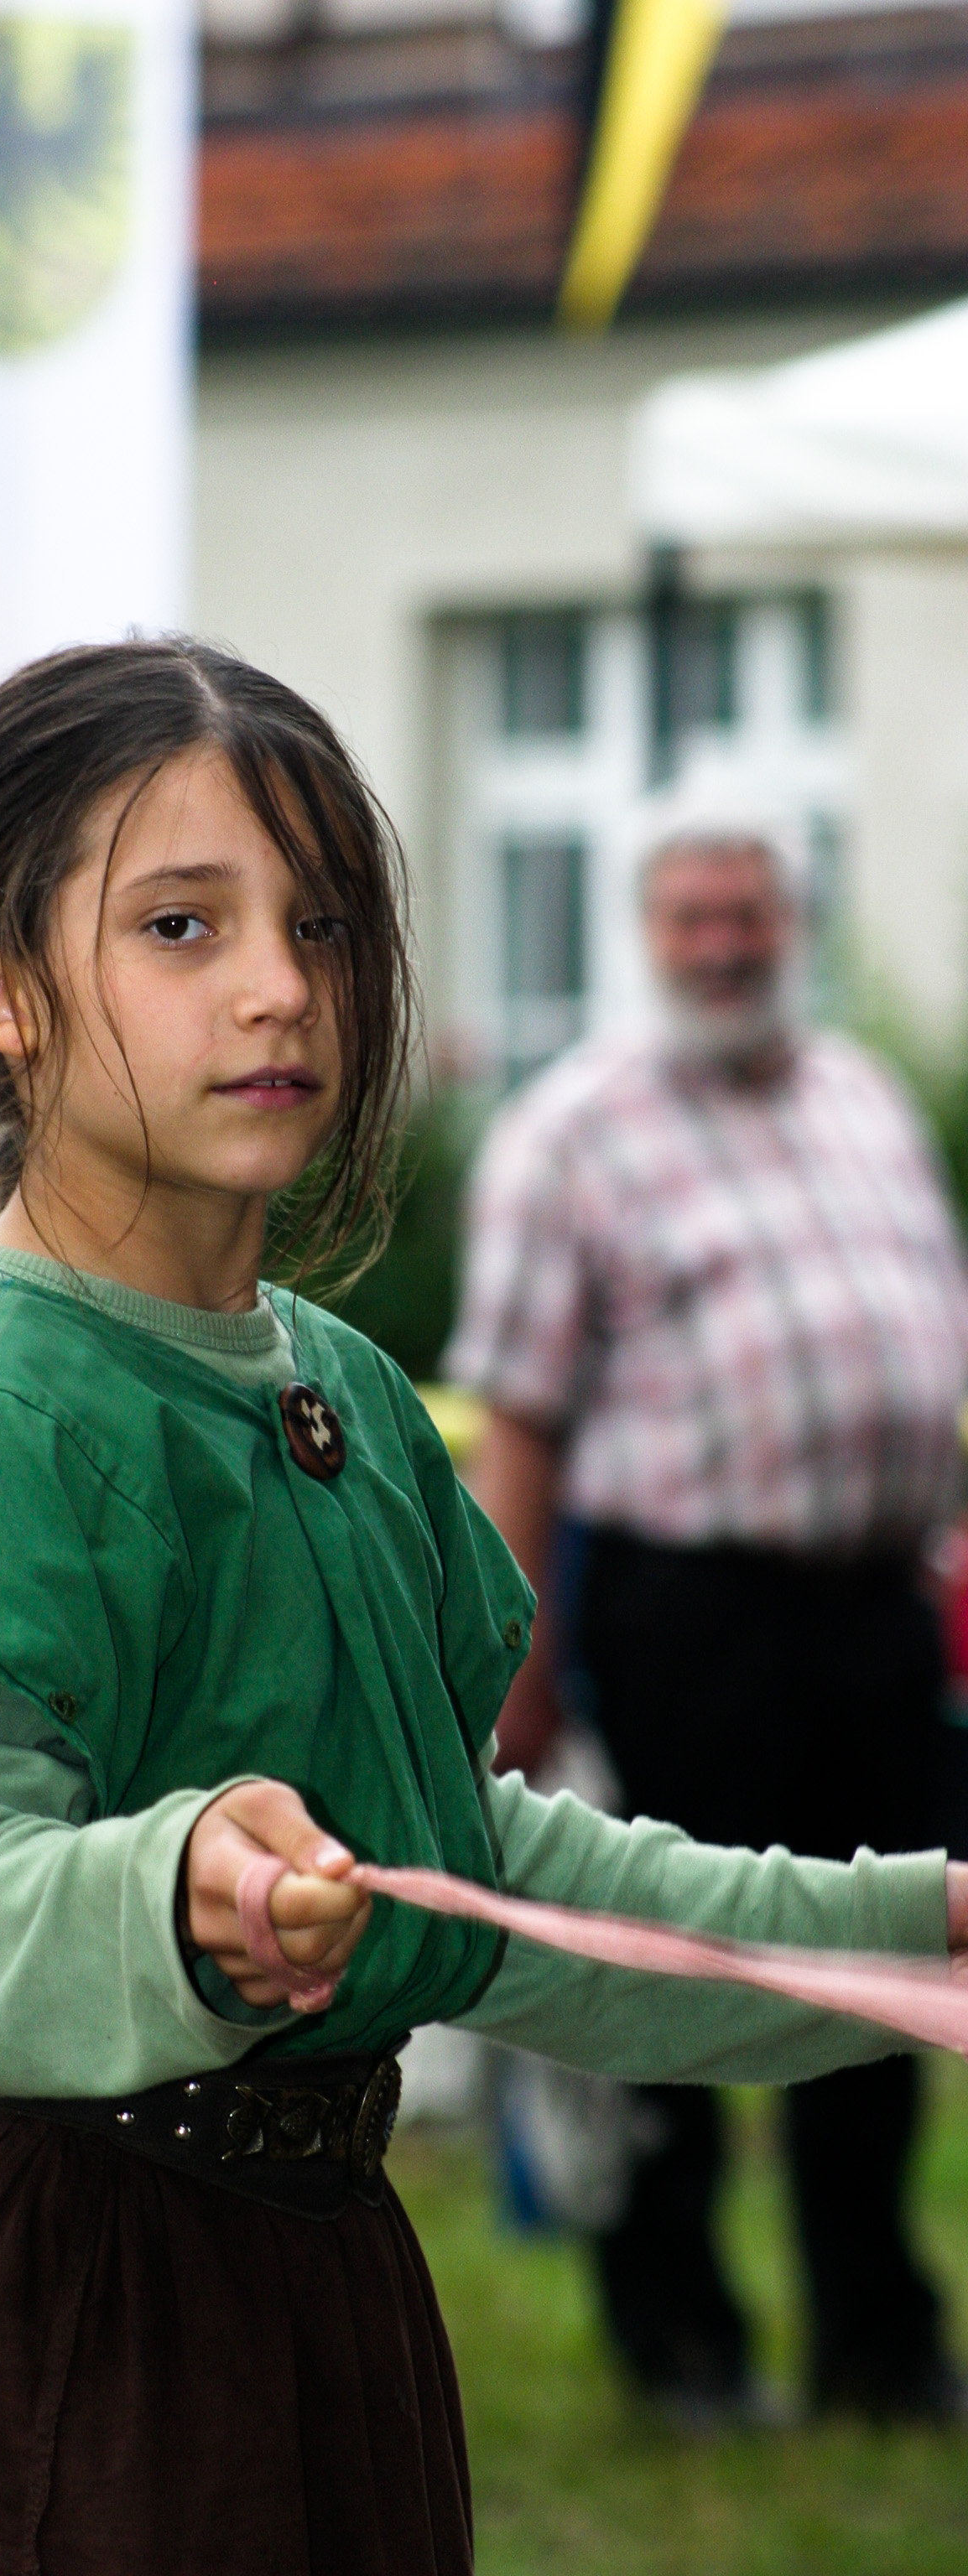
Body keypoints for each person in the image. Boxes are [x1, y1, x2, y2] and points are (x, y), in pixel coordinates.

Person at [0, 648, 968, 2576]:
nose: (278, 985)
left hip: (320, 2284)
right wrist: (177, 1886)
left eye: (320, 924)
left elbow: (469, 1880)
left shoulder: (341, 1384)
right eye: (181, 924)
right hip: (68, 2319)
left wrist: (916, 1934)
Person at [449, 808, 968, 2426]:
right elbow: (520, 1417)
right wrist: (515, 1670)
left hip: (874, 1609)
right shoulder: (571, 1133)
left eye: (750, 911)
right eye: (694, 916)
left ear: (791, 922)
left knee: (887, 1968)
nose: (726, 943)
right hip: (688, 1618)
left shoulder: (863, 1098)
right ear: (648, 930)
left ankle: (879, 2344)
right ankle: (680, 2348)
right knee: (671, 1972)